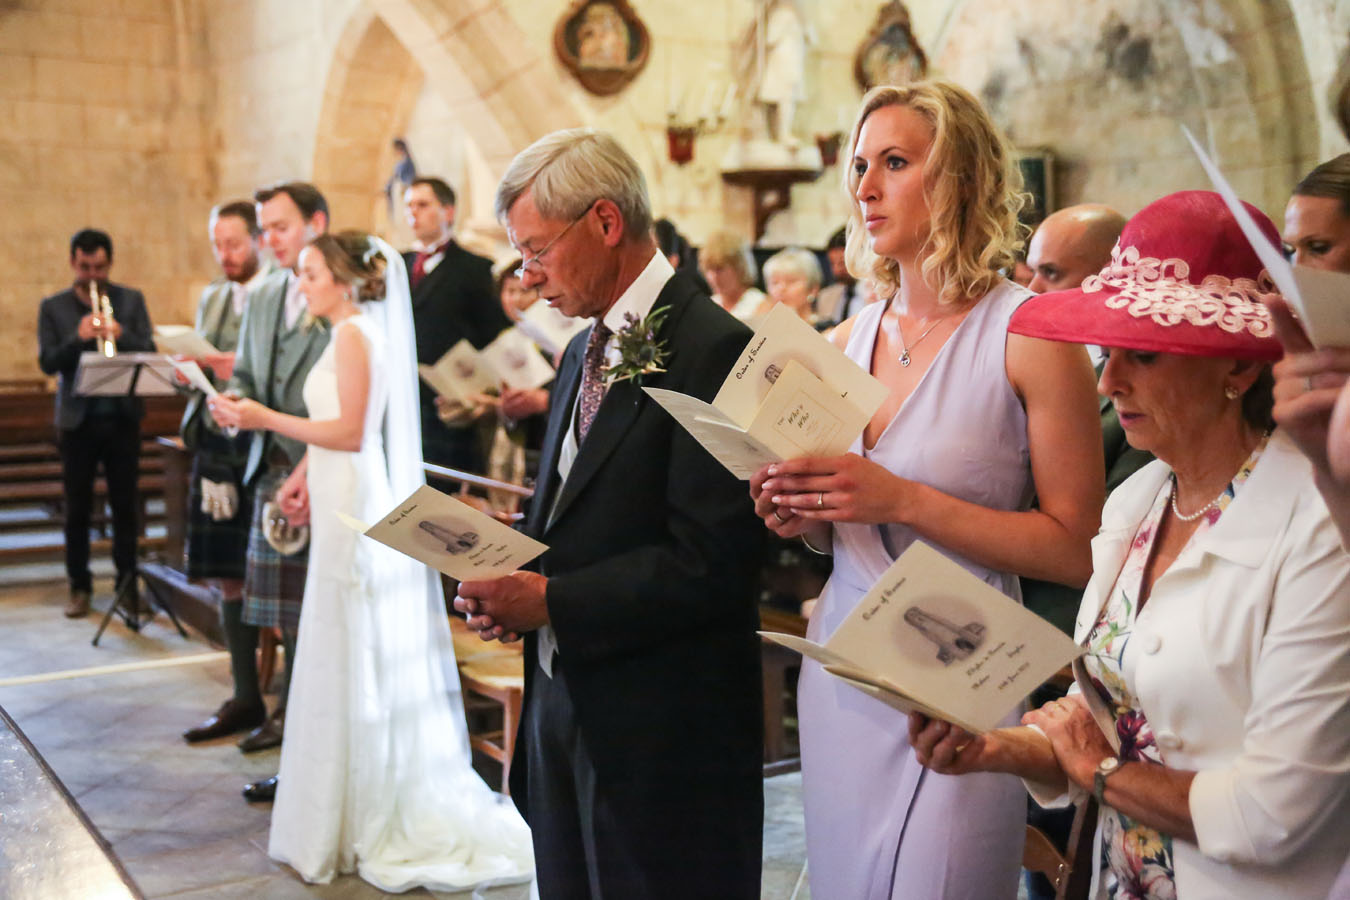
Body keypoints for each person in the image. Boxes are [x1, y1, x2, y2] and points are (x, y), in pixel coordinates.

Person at [912, 190, 1350, 899]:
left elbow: (1274, 817)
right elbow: (1111, 716)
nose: (1109, 381)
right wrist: (996, 746)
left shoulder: (1319, 524)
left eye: (1143, 355)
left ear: (1238, 369)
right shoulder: (1138, 499)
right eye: (1108, 351)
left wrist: (1100, 772)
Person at [750, 80, 1103, 899]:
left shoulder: (1030, 334)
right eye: (859, 166)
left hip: (964, 670)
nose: (866, 188)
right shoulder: (841, 340)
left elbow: (1077, 549)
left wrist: (901, 499)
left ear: (960, 177)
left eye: (896, 163)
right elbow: (838, 527)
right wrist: (795, 511)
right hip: (844, 670)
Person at [455, 128, 766, 898]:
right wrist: (506, 571)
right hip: (562, 697)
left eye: (536, 250)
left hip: (662, 731)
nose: (526, 277)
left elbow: (714, 562)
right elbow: (573, 509)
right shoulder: (579, 350)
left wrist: (551, 600)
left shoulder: (715, 346)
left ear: (604, 221)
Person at [210, 231, 534, 891]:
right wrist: (301, 475)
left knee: (350, 643)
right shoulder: (345, 333)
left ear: (344, 279)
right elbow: (333, 430)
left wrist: (263, 418)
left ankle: (358, 812)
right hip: (334, 490)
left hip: (355, 501)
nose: (301, 283)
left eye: (310, 273)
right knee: (333, 642)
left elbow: (353, 432)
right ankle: (333, 809)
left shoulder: (357, 334)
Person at [203, 182, 332, 786]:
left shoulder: (338, 292)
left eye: (281, 227)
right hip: (268, 470)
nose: (269, 240)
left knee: (313, 615)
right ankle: (285, 722)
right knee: (282, 613)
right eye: (265, 229)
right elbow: (251, 375)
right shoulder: (264, 295)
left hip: (320, 469)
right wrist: (231, 400)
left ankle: (305, 741)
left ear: (316, 224)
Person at [1019, 203, 1147, 636]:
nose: (1032, 290)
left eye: (1051, 274)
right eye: (1031, 271)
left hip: (1068, 619)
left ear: (1110, 275)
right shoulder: (1028, 361)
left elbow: (1112, 533)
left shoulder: (1136, 388)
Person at [180, 201, 276, 744]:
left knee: (276, 574)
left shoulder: (282, 291)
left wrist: (228, 364)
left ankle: (286, 709)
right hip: (216, 440)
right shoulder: (214, 295)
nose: (225, 254)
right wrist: (189, 369)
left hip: (261, 443)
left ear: (259, 240)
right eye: (218, 244)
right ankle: (245, 695)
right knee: (225, 573)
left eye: (234, 243)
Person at [37, 228, 155, 619]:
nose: (93, 276)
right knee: (77, 510)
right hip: (77, 423)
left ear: (110, 263)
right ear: (73, 262)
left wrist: (121, 333)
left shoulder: (130, 300)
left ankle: (127, 586)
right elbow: (48, 362)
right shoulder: (53, 307)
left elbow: (150, 349)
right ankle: (80, 587)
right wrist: (78, 337)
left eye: (100, 267)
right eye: (85, 267)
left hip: (122, 419)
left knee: (125, 507)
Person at [403, 175, 511, 472]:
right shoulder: (397, 265)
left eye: (423, 205)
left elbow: (492, 336)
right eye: (409, 206)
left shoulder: (476, 268)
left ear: (448, 211)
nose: (413, 213)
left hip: (451, 403)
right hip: (404, 397)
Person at [700, 228, 767, 320]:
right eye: (709, 269)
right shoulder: (708, 306)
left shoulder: (761, 305)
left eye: (719, 269)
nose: (713, 277)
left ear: (739, 268)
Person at [815, 226, 869, 325]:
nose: (836, 270)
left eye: (842, 263)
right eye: (832, 263)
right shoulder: (826, 297)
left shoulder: (876, 295)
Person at [762, 245, 825, 328]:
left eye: (791, 281)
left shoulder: (829, 330)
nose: (781, 288)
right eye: (775, 283)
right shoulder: (761, 328)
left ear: (813, 289)